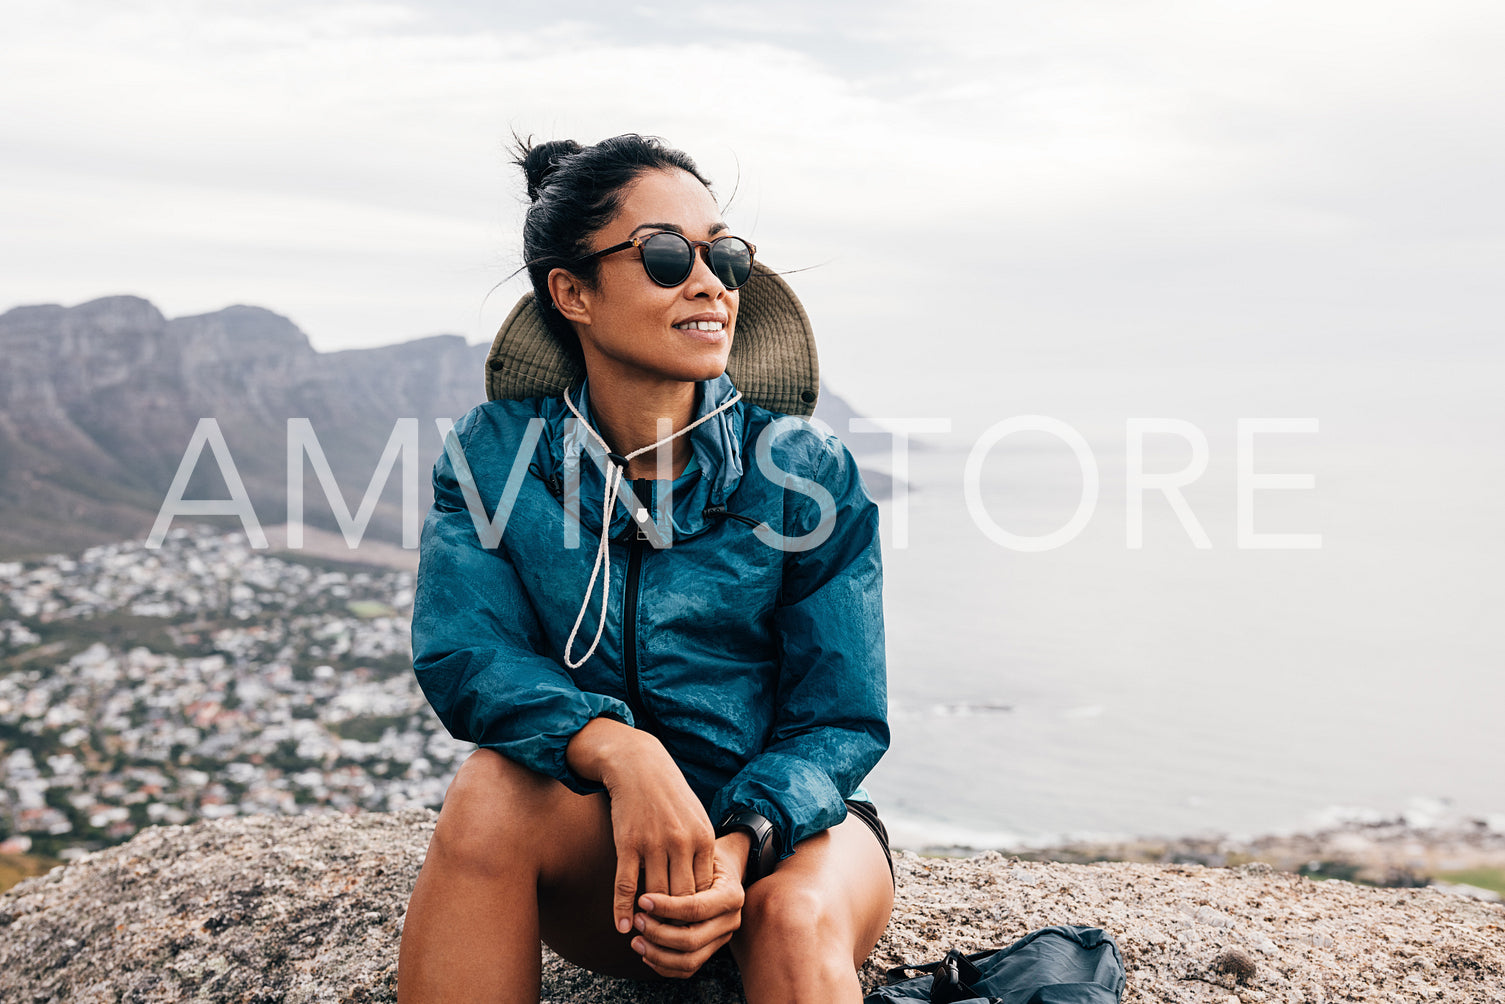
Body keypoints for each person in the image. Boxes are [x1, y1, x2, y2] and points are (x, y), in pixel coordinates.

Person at [397, 133, 891, 1004]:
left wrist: (738, 844)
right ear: (572, 292)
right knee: (486, 794)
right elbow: (465, 654)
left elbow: (838, 719)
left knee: (794, 919)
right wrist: (620, 752)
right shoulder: (494, 457)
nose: (709, 283)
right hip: (610, 858)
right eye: (666, 256)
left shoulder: (805, 471)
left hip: (787, 841)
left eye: (725, 257)